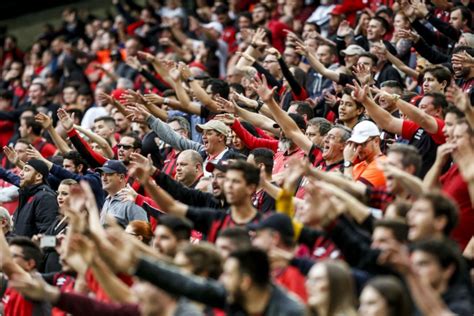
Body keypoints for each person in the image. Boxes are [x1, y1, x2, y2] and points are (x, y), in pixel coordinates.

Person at [0, 159, 58, 237]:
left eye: (26, 170)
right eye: (22, 170)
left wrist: (35, 247)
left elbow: (50, 237)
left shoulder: (45, 197)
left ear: (39, 176)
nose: (21, 173)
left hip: (32, 249)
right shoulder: (26, 195)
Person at [98, 160, 148, 227]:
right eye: (102, 174)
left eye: (109, 174)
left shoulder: (132, 201)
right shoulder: (107, 200)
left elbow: (143, 234)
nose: (103, 178)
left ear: (121, 177)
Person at [343, 120, 387, 187]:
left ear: (376, 141)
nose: (358, 149)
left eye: (362, 144)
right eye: (355, 144)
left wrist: (348, 162)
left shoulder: (382, 164)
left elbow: (354, 193)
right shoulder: (358, 166)